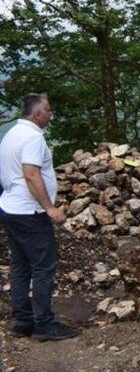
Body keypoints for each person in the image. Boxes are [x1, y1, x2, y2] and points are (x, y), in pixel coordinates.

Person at [0, 93, 79, 341]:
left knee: (20, 265)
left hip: (11, 208)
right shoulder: (33, 138)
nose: (50, 114)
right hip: (30, 212)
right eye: (48, 110)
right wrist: (49, 207)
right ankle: (44, 323)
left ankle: (23, 319)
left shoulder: (12, 133)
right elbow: (31, 174)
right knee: (43, 267)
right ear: (37, 114)